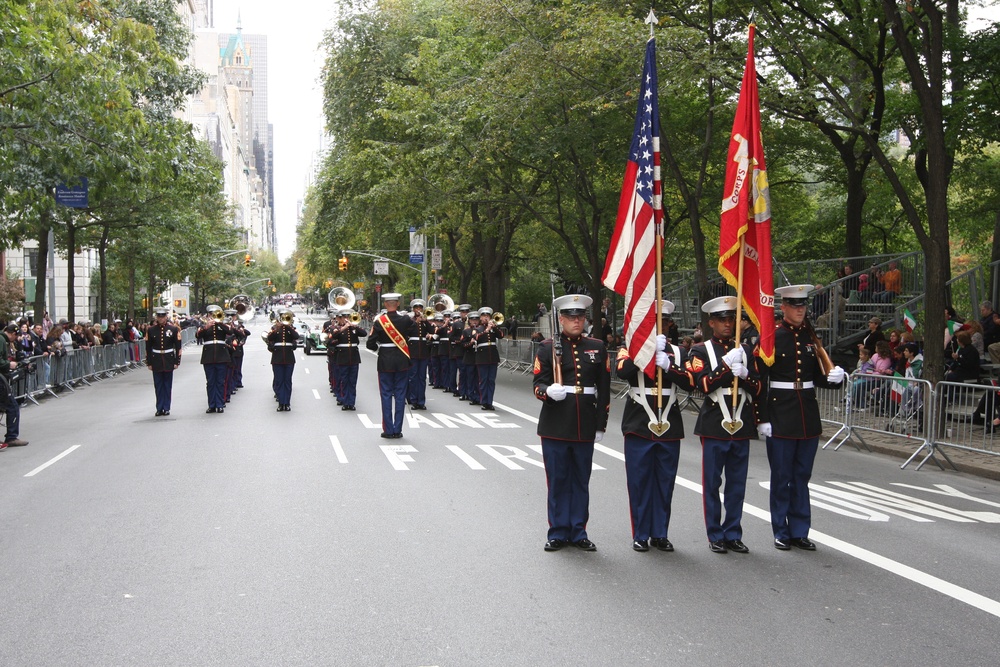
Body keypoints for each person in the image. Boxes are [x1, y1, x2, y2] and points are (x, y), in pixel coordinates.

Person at [758, 285, 846, 552]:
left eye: (803, 306)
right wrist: (762, 418)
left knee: (801, 476)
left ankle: (799, 530)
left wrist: (835, 380)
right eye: (794, 306)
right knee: (782, 476)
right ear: (783, 307)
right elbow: (761, 380)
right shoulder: (772, 337)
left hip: (807, 415)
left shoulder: (810, 337)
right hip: (781, 414)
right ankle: (781, 530)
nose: (799, 310)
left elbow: (817, 376)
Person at [533, 294, 610, 552]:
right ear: (561, 319)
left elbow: (604, 389)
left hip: (585, 423)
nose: (577, 321)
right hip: (555, 424)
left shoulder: (597, 347)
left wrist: (601, 424)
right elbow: (537, 384)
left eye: (580, 317)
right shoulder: (546, 347)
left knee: (580, 481)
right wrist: (547, 392)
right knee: (557, 480)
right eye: (571, 317)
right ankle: (557, 531)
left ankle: (578, 531)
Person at [686, 296, 762, 554]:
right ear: (712, 322)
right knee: (712, 484)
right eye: (722, 320)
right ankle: (714, 534)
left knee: (737, 484)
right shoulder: (699, 350)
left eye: (731, 319)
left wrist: (746, 373)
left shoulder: (747, 350)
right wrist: (727, 366)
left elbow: (759, 387)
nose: (728, 324)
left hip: (741, 421)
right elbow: (703, 384)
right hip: (714, 423)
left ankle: (733, 532)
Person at [615, 300, 693, 552]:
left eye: (666, 322)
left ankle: (660, 532)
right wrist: (645, 352)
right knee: (639, 481)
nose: (661, 327)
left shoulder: (678, 352)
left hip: (669, 421)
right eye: (655, 323)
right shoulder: (629, 348)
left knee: (664, 481)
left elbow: (691, 382)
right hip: (639, 421)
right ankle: (640, 533)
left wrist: (669, 366)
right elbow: (622, 371)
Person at [366, 293, 417, 438]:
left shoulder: (380, 321)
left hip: (385, 361)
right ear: (398, 304)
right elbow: (414, 334)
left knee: (386, 395)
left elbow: (370, 343)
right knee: (400, 395)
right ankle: (397, 430)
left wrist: (379, 349)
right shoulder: (406, 319)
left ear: (385, 304)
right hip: (402, 361)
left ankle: (388, 430)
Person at [145, 306, 182, 416]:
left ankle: (166, 407)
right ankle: (159, 407)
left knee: (167, 385)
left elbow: (178, 347)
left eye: (163, 316)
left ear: (166, 317)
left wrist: (177, 361)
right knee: (158, 385)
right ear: (156, 318)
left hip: (168, 359)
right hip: (156, 359)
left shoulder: (173, 329)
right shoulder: (151, 330)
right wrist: (149, 362)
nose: (161, 318)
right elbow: (148, 347)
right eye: (159, 317)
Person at [196, 306, 232, 414]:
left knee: (220, 382)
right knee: (211, 382)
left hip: (221, 356)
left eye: (215, 314)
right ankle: (212, 405)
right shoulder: (203, 326)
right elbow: (198, 336)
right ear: (208, 315)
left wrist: (219, 322)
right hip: (208, 357)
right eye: (211, 314)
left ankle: (220, 404)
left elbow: (230, 332)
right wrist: (206, 327)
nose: (213, 316)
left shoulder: (223, 325)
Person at [331, 308, 367, 411]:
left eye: (348, 317)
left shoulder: (354, 328)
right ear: (340, 318)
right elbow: (334, 336)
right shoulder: (337, 328)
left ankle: (351, 403)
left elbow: (364, 334)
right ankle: (344, 401)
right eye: (344, 317)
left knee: (352, 381)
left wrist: (353, 326)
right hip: (342, 357)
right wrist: (345, 327)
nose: (346, 319)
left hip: (354, 357)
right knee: (344, 380)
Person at [0, 323, 29, 449]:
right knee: (12, 406)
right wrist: (9, 364)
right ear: (13, 333)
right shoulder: (1, 340)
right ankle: (11, 436)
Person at [267, 308, 300, 411]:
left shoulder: (291, 329)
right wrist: (277, 328)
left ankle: (287, 403)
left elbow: (296, 336)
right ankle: (281, 403)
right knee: (279, 381)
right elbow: (270, 338)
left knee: (287, 381)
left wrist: (288, 326)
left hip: (289, 359)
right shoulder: (275, 329)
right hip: (277, 358)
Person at [473, 307, 504, 410]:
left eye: (487, 316)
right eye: (483, 316)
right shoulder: (478, 328)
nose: (486, 317)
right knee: (483, 380)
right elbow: (476, 338)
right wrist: (486, 330)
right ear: (480, 318)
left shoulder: (494, 328)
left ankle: (489, 402)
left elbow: (501, 336)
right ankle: (483, 401)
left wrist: (494, 327)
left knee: (491, 380)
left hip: (493, 357)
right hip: (482, 357)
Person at [406, 299, 432, 410]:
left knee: (422, 378)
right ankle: (413, 400)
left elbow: (432, 331)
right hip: (413, 351)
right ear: (413, 309)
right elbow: (406, 332)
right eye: (416, 308)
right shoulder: (409, 320)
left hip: (423, 352)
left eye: (420, 308)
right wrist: (415, 322)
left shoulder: (425, 322)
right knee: (413, 377)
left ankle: (421, 401)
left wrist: (425, 321)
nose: (418, 310)